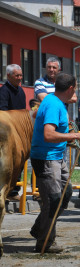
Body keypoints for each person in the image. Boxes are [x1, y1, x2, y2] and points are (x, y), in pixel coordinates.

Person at [30, 73, 80, 253]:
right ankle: (45, 242)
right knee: (54, 200)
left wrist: (72, 140)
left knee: (65, 194)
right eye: (76, 87)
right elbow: (48, 135)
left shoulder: (56, 102)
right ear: (70, 88)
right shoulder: (54, 105)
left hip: (56, 157)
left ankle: (40, 229)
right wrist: (75, 135)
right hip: (46, 158)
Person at [0, 64, 25, 202]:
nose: (20, 78)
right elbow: (2, 111)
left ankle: (13, 190)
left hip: (20, 132)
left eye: (21, 75)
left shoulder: (20, 91)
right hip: (8, 131)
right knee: (8, 163)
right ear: (8, 76)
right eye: (17, 76)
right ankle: (6, 190)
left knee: (19, 161)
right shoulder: (4, 91)